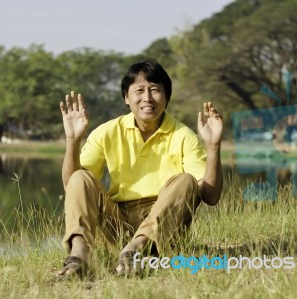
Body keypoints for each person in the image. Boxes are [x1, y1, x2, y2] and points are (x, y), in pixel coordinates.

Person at [56, 59, 223, 279]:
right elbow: (72, 186)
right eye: (139, 90)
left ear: (167, 97)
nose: (147, 98)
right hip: (117, 221)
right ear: (127, 97)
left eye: (155, 90)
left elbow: (210, 196)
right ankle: (81, 256)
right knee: (80, 176)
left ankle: (137, 249)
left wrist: (213, 147)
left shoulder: (184, 136)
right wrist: (72, 141)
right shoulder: (107, 131)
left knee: (186, 180)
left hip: (163, 226)